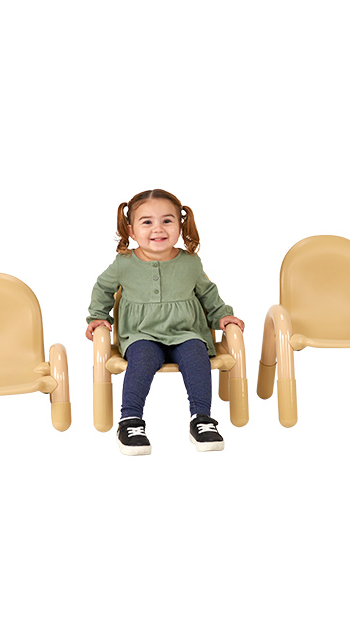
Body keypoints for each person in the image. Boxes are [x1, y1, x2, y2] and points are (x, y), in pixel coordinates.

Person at [86, 189, 245, 456]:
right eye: (147, 222)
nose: (158, 229)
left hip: (185, 332)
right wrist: (99, 316)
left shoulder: (190, 262)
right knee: (142, 359)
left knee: (197, 356)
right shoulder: (124, 262)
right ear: (131, 230)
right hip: (141, 334)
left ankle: (202, 419)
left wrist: (222, 315)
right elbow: (103, 288)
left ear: (180, 226)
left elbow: (208, 293)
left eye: (167, 221)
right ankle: (130, 421)